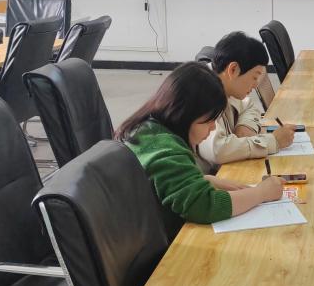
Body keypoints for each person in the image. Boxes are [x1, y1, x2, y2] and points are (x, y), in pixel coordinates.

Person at [116, 62, 284, 233]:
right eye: (208, 121)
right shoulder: (163, 148)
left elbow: (165, 180)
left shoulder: (151, 129)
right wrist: (261, 193)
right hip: (161, 239)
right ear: (183, 113)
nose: (213, 128)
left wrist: (206, 179)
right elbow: (205, 205)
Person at [198, 31, 295, 165]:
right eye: (254, 77)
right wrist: (274, 141)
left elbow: (248, 105)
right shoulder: (201, 92)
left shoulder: (224, 81)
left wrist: (245, 126)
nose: (255, 85)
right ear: (233, 69)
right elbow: (217, 150)